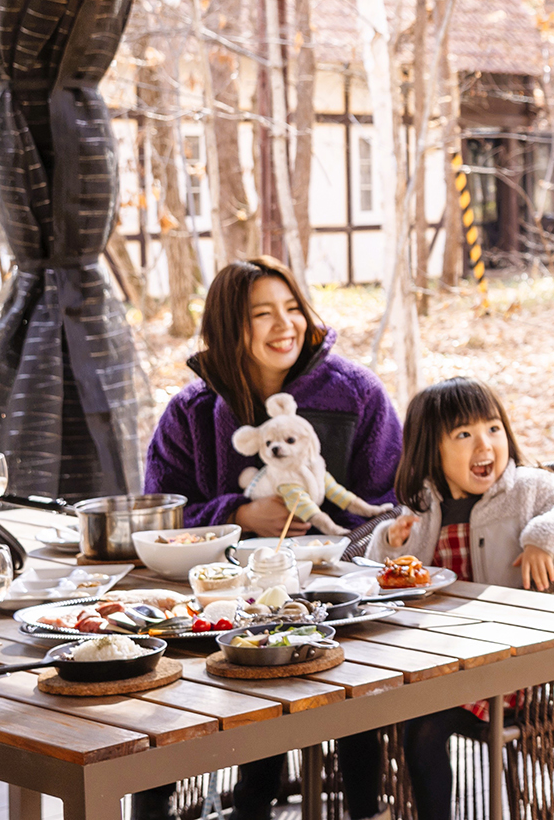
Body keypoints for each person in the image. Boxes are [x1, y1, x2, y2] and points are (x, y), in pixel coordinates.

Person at [137, 257, 401, 820]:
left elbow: (392, 503)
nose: (286, 325)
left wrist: (343, 550)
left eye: (292, 308)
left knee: (348, 678)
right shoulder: (190, 412)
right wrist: (239, 513)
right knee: (155, 687)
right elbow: (162, 514)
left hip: (337, 603)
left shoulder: (356, 394)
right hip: (214, 609)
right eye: (263, 314)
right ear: (232, 327)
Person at [368, 377, 554, 820]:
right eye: (464, 434)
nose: (485, 444)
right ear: (431, 450)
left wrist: (543, 537)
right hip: (441, 664)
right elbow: (379, 573)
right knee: (358, 708)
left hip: (513, 667)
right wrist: (389, 543)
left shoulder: (527, 491)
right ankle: (368, 811)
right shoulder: (425, 506)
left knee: (422, 727)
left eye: (493, 429)